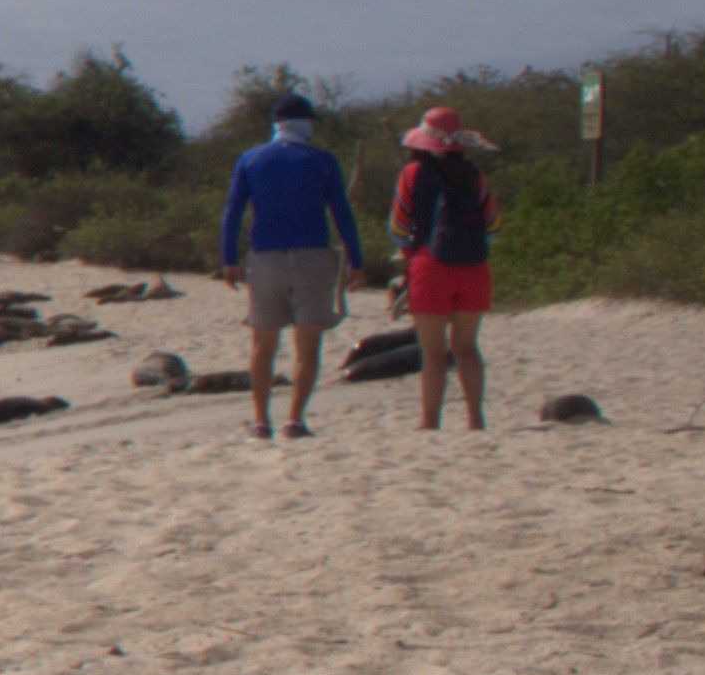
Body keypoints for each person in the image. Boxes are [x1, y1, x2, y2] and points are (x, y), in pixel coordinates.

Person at [216, 91, 370, 439]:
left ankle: (259, 420)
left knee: (262, 344)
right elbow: (341, 213)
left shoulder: (250, 159)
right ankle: (294, 419)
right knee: (307, 345)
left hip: (265, 257)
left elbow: (233, 211)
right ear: (306, 125)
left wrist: (228, 258)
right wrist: (356, 261)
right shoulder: (321, 160)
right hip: (312, 255)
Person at [391, 103, 504, 429]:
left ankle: (429, 421)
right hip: (474, 268)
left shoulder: (412, 174)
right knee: (467, 348)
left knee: (433, 353)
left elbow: (398, 227)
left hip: (430, 266)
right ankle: (475, 418)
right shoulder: (472, 174)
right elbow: (493, 225)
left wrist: (409, 252)